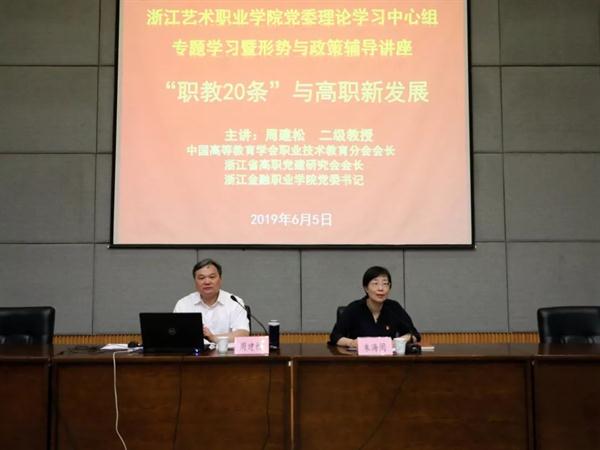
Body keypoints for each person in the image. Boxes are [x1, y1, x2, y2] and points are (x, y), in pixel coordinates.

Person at [330, 266, 420, 347]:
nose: (381, 288)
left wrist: (399, 341)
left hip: (387, 358)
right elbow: (335, 336)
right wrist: (352, 343)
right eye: (375, 283)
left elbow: (414, 334)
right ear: (366, 288)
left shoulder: (394, 307)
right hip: (358, 358)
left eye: (385, 284)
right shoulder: (354, 308)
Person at [174, 258, 249, 343]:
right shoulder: (183, 304)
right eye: (201, 278)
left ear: (220, 279)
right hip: (195, 351)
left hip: (225, 351)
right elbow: (176, 334)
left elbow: (243, 334)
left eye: (212, 277)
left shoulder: (234, 302)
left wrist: (213, 338)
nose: (207, 282)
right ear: (195, 281)